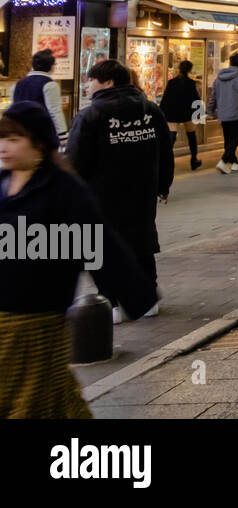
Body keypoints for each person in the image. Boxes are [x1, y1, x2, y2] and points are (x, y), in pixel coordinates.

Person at [0, 101, 156, 417]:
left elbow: (100, 247)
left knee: (37, 404)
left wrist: (136, 295)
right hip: (3, 321)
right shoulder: (1, 184)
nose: (4, 147)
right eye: (1, 138)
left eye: (14, 139)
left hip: (38, 323)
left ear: (39, 144)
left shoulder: (63, 191)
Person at [66, 59, 173, 323]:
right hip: (143, 190)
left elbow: (75, 159)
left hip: (102, 193)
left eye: (91, 81)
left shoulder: (91, 115)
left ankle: (110, 301)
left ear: (108, 82)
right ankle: (147, 299)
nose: (87, 86)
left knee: (104, 246)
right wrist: (163, 185)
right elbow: (165, 152)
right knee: (142, 239)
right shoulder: (151, 110)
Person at [12, 49, 68, 148]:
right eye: (55, 64)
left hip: (19, 133)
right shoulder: (50, 84)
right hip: (41, 134)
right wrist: (63, 135)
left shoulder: (17, 84)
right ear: (51, 66)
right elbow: (55, 112)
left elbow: (12, 108)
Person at [208, 53, 238, 174]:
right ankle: (223, 161)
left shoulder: (219, 78)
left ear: (229, 63)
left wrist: (210, 110)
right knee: (235, 139)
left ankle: (235, 163)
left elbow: (213, 96)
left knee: (228, 140)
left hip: (223, 114)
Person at [159, 60, 203, 171]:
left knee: (171, 137)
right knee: (191, 135)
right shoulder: (191, 83)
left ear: (179, 68)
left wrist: (161, 112)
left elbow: (165, 99)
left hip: (172, 112)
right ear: (190, 70)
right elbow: (196, 99)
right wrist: (200, 113)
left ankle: (165, 161)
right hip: (187, 112)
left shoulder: (172, 82)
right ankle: (194, 159)